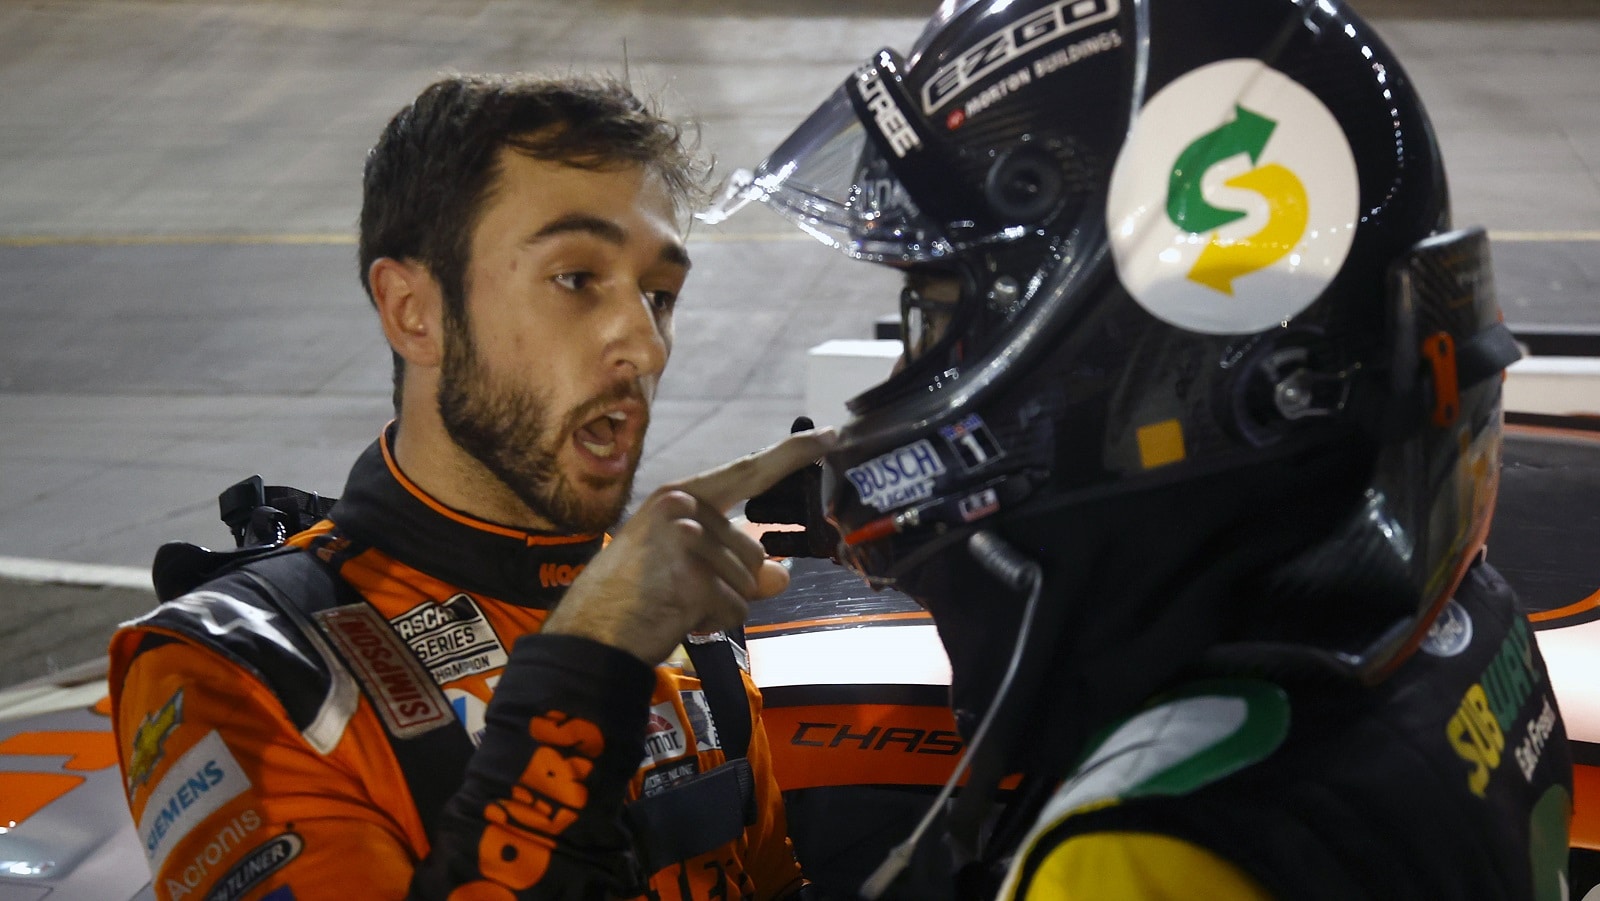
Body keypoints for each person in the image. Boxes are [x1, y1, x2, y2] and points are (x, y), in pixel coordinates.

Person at [711, 0, 1574, 897]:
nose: (914, 371)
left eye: (938, 314)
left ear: (1131, 335)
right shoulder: (1447, 608)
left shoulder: (1141, 850)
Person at [108, 73, 831, 901]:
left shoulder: (688, 624)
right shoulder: (233, 669)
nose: (645, 342)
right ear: (415, 310)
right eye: (575, 278)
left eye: (658, 293)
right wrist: (588, 664)